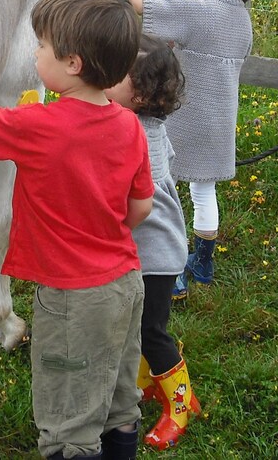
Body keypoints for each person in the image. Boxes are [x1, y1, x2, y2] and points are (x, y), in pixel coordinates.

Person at [0, 0, 154, 460]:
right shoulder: (128, 124)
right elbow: (140, 208)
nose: (35, 53)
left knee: (70, 420)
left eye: (41, 45)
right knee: (119, 402)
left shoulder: (38, 127)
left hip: (72, 299)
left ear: (72, 64)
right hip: (126, 284)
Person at [117, 0, 276, 298]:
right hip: (218, 126)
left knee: (166, 191)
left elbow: (138, 3)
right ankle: (202, 262)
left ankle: (170, 271)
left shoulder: (199, 10)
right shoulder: (243, 23)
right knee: (204, 194)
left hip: (182, 124)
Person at [104, 33, 202, 450]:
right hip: (144, 250)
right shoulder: (142, 124)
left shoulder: (137, 136)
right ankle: (147, 380)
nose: (102, 76)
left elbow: (133, 196)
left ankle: (182, 401)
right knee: (135, 322)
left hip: (156, 256)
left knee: (150, 329)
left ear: (139, 95)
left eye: (114, 74)